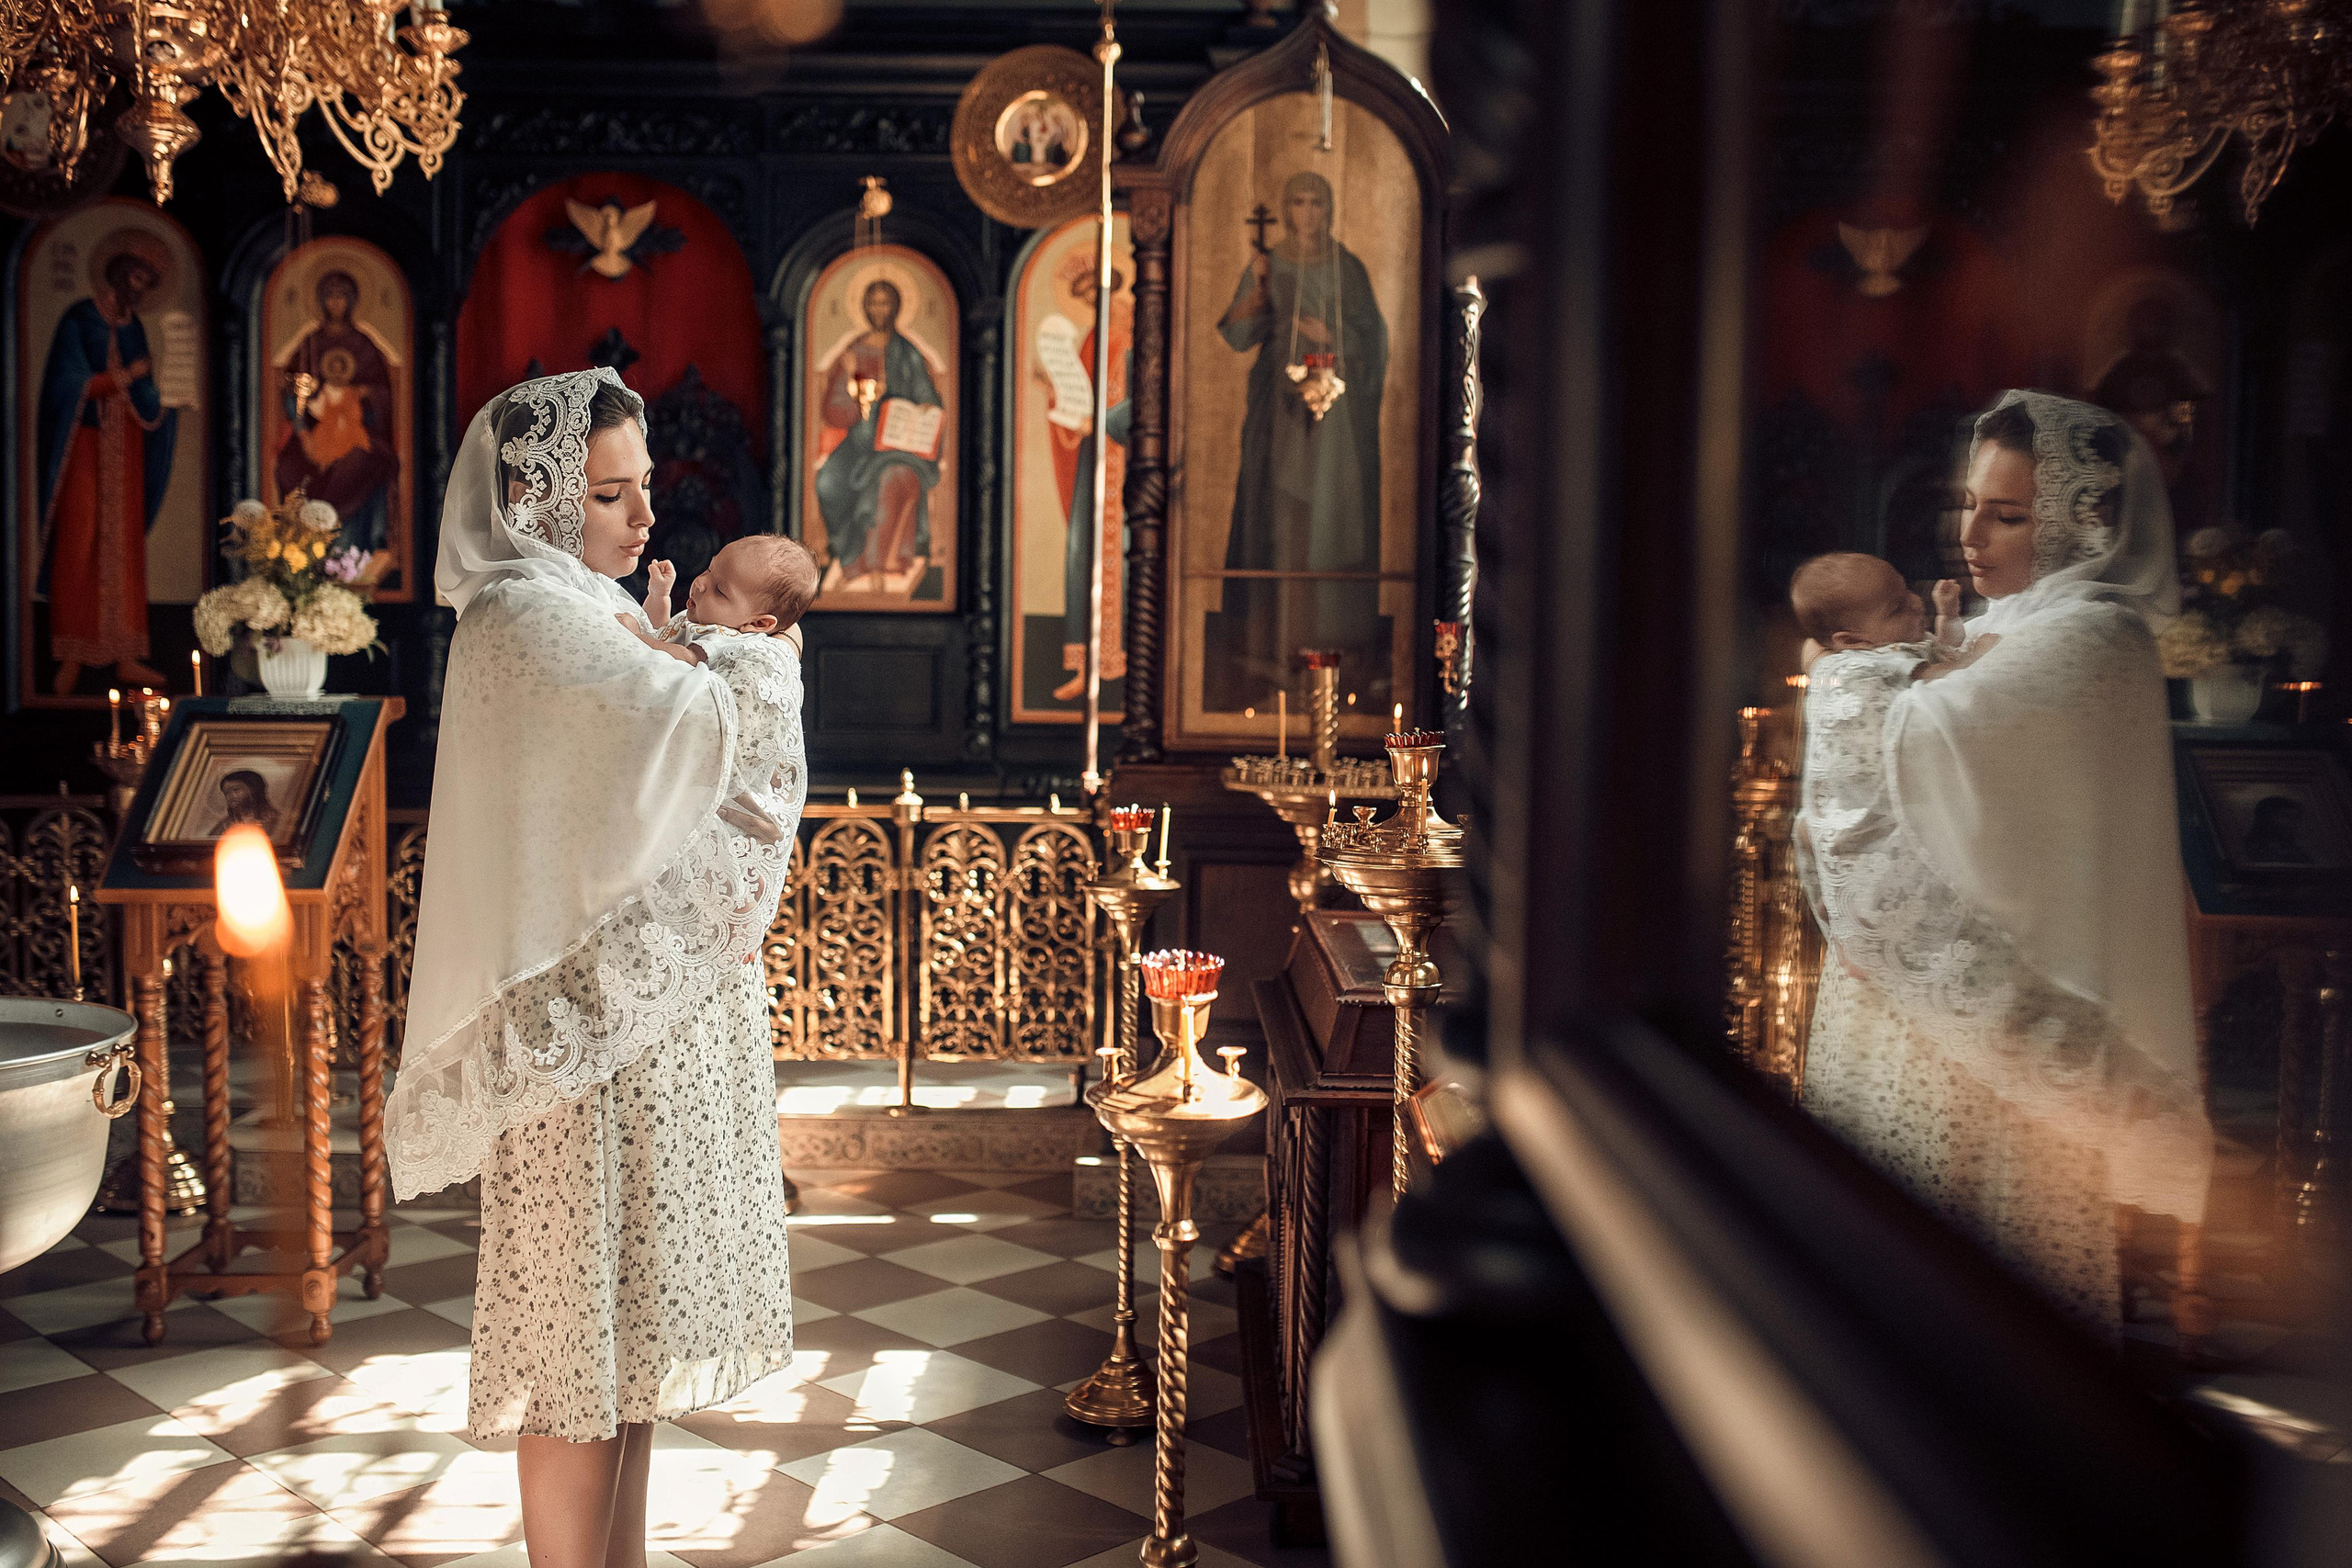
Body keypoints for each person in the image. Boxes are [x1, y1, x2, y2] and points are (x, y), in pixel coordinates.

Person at [388, 368, 801, 1568]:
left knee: (631, 1342)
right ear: (537, 495)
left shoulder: (594, 604)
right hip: (578, 1048)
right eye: (611, 492)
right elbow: (697, 734)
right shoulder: (528, 612)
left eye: (646, 489)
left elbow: (692, 766)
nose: (643, 518)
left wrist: (685, 648)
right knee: (574, 1348)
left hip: (647, 1029)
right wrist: (737, 656)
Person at [1797, 389, 2213, 1337]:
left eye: (2008, 513)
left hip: (1997, 1032)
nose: (1970, 533)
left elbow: (1910, 737)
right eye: (1969, 504)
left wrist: (1840, 667)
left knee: (1976, 1308)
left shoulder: (2091, 634)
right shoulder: (2008, 622)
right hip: (1913, 1002)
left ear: (2085, 518)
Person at [1209, 169, 1388, 710]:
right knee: (1280, 524)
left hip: (1336, 420)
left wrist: (1331, 337)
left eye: (1315, 202)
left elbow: (1375, 342)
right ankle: (1276, 658)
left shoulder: (1348, 268)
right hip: (1280, 413)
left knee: (1330, 527)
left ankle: (1336, 656)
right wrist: (1260, 290)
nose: (1306, 212)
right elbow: (1237, 332)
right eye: (1298, 202)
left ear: (1328, 209)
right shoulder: (1270, 264)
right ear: (1286, 210)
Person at [37, 231, 178, 696]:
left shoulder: (136, 327)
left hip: (127, 448)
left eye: (148, 281)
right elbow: (66, 383)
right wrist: (120, 378)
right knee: (80, 542)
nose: (139, 287)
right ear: (118, 271)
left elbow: (147, 392)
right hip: (85, 446)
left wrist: (166, 403)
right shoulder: (81, 317)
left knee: (124, 550)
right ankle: (71, 657)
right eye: (136, 275)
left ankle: (125, 656)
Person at [812, 277, 944, 596]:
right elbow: (832, 410)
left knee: (887, 479)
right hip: (859, 441)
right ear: (863, 307)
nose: (879, 309)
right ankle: (844, 553)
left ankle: (867, 564)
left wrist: (924, 407)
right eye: (873, 302)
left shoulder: (907, 352)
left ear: (896, 306)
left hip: (899, 444)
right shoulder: (853, 352)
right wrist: (853, 391)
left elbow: (928, 397)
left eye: (885, 302)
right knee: (827, 481)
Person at [273, 269, 400, 556]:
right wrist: (303, 430)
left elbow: (384, 392)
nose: (336, 303)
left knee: (364, 463)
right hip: (313, 429)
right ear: (321, 301)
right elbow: (292, 391)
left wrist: (363, 393)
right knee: (287, 467)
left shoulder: (363, 344)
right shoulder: (310, 343)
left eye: (342, 296)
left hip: (360, 429)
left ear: (352, 301)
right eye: (330, 296)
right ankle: (303, 544)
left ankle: (349, 545)